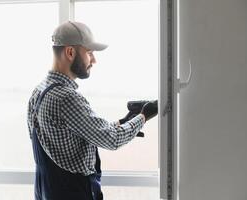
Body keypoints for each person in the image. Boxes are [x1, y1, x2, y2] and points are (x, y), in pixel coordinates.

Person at [27, 21, 158, 200]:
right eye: (89, 53)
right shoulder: (66, 98)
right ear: (70, 52)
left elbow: (73, 137)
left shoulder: (38, 92)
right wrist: (145, 115)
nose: (94, 60)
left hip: (46, 192)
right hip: (72, 194)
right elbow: (112, 139)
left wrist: (124, 122)